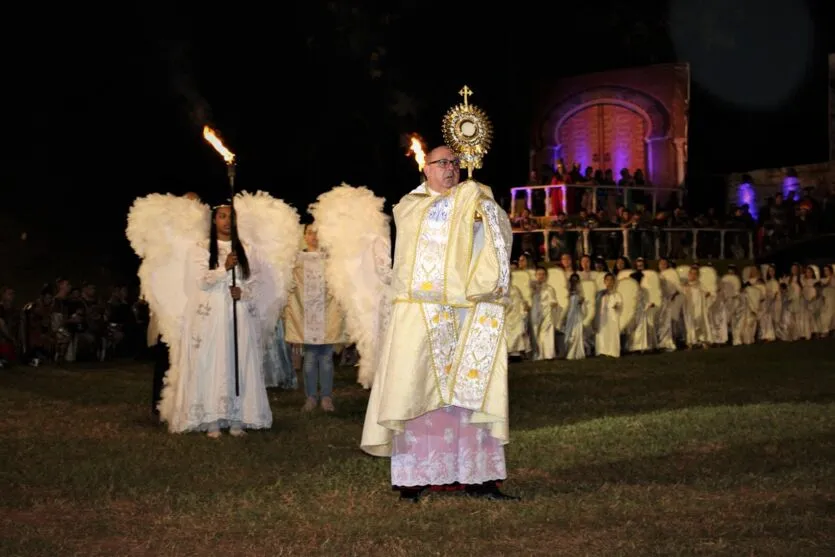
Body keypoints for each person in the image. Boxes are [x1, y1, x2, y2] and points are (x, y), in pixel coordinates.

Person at [360, 145, 518, 502]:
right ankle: (416, 479)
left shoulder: (476, 200)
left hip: (467, 312)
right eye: (442, 163)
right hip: (421, 314)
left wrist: (483, 215)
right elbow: (436, 225)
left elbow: (495, 243)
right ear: (426, 169)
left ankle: (479, 478)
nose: (450, 169)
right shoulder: (410, 206)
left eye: (455, 163)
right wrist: (469, 203)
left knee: (469, 397)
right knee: (416, 393)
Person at [127, 190, 301, 436]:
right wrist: (223, 269)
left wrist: (243, 292)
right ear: (214, 220)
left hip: (238, 314)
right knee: (214, 361)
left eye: (231, 217)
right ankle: (211, 418)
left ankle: (238, 417)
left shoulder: (247, 249)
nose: (226, 221)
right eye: (221, 216)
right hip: (210, 316)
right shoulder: (199, 248)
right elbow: (199, 280)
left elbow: (256, 280)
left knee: (237, 360)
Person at [284, 224, 346, 412]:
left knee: (326, 357)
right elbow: (290, 282)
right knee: (310, 357)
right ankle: (310, 397)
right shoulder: (297, 260)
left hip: (328, 313)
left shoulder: (331, 259)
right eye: (310, 232)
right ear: (304, 235)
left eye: (317, 232)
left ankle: (326, 397)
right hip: (306, 314)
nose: (314, 236)